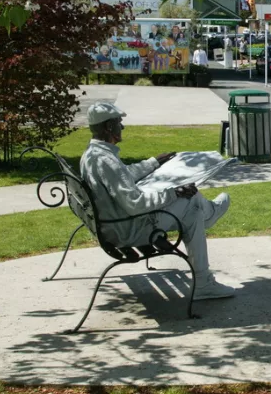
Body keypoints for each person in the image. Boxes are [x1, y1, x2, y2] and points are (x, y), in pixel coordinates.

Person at [80, 102, 236, 300]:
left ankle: (204, 279)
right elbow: (135, 204)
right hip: (130, 229)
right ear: (109, 127)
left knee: (192, 210)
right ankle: (210, 220)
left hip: (116, 224)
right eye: (119, 122)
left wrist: (153, 163)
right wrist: (174, 192)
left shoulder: (93, 154)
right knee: (193, 203)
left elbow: (124, 175)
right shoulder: (105, 160)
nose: (123, 127)